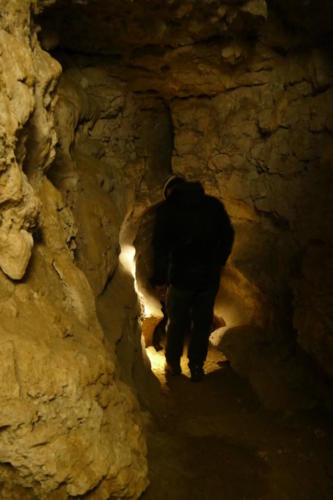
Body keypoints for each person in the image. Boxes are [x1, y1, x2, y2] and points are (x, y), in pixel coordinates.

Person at [150, 175, 234, 382]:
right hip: (208, 277)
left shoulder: (167, 210)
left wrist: (160, 280)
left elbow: (159, 248)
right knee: (202, 322)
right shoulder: (212, 205)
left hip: (181, 276)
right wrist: (218, 260)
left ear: (170, 192)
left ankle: (173, 364)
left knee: (177, 321)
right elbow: (228, 235)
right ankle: (196, 366)